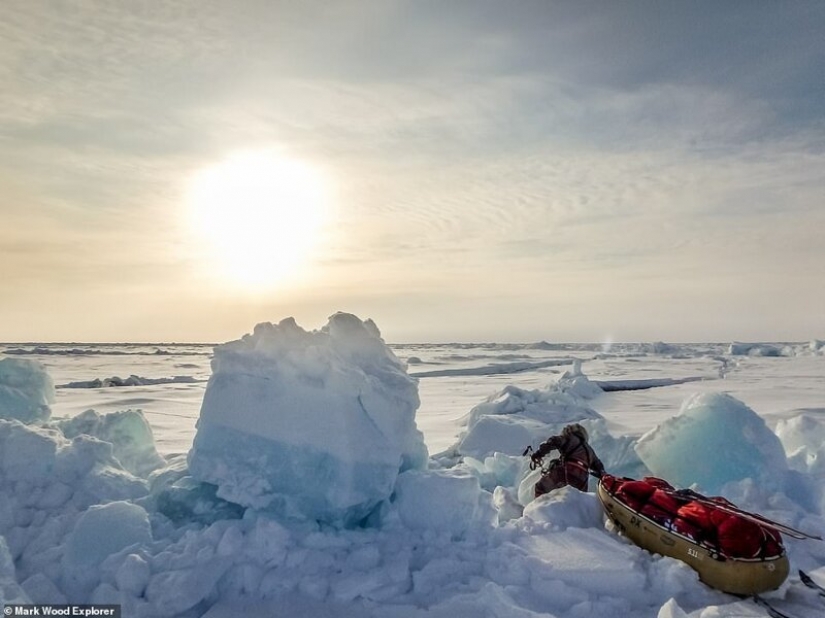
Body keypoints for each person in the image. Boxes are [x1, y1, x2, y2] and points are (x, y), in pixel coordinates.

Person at [529, 423, 605, 497]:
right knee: (574, 501)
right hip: (582, 481)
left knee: (541, 487)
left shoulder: (570, 438)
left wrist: (539, 454)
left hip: (566, 472)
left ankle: (539, 508)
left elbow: (554, 441)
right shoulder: (589, 450)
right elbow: (598, 466)